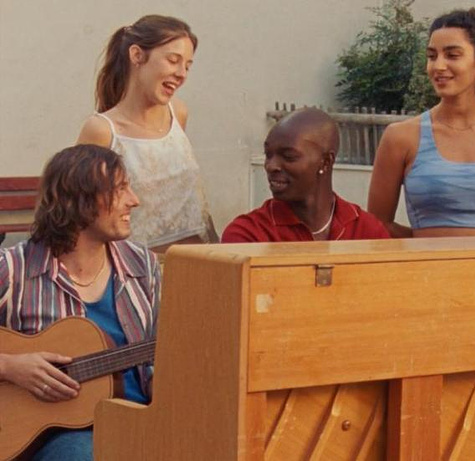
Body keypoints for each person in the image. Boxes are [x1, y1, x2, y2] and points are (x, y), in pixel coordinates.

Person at [0, 145, 160, 461]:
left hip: (140, 415)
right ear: (78, 201)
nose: (134, 200)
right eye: (120, 189)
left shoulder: (143, 265)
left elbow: (162, 354)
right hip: (56, 433)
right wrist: (9, 366)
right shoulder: (13, 269)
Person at [367, 8, 475, 238]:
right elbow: (376, 226)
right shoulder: (401, 137)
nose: (438, 66)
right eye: (431, 56)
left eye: (452, 55)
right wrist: (430, 244)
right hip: (426, 262)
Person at [76, 15, 215, 252]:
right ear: (137, 55)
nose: (182, 73)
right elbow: (77, 207)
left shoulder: (178, 113)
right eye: (173, 60)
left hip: (199, 258)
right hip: (139, 265)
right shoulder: (102, 130)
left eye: (187, 66)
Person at [221, 108, 390, 242]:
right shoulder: (248, 235)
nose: (271, 166)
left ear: (325, 162)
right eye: (268, 155)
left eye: (288, 156)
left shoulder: (367, 232)